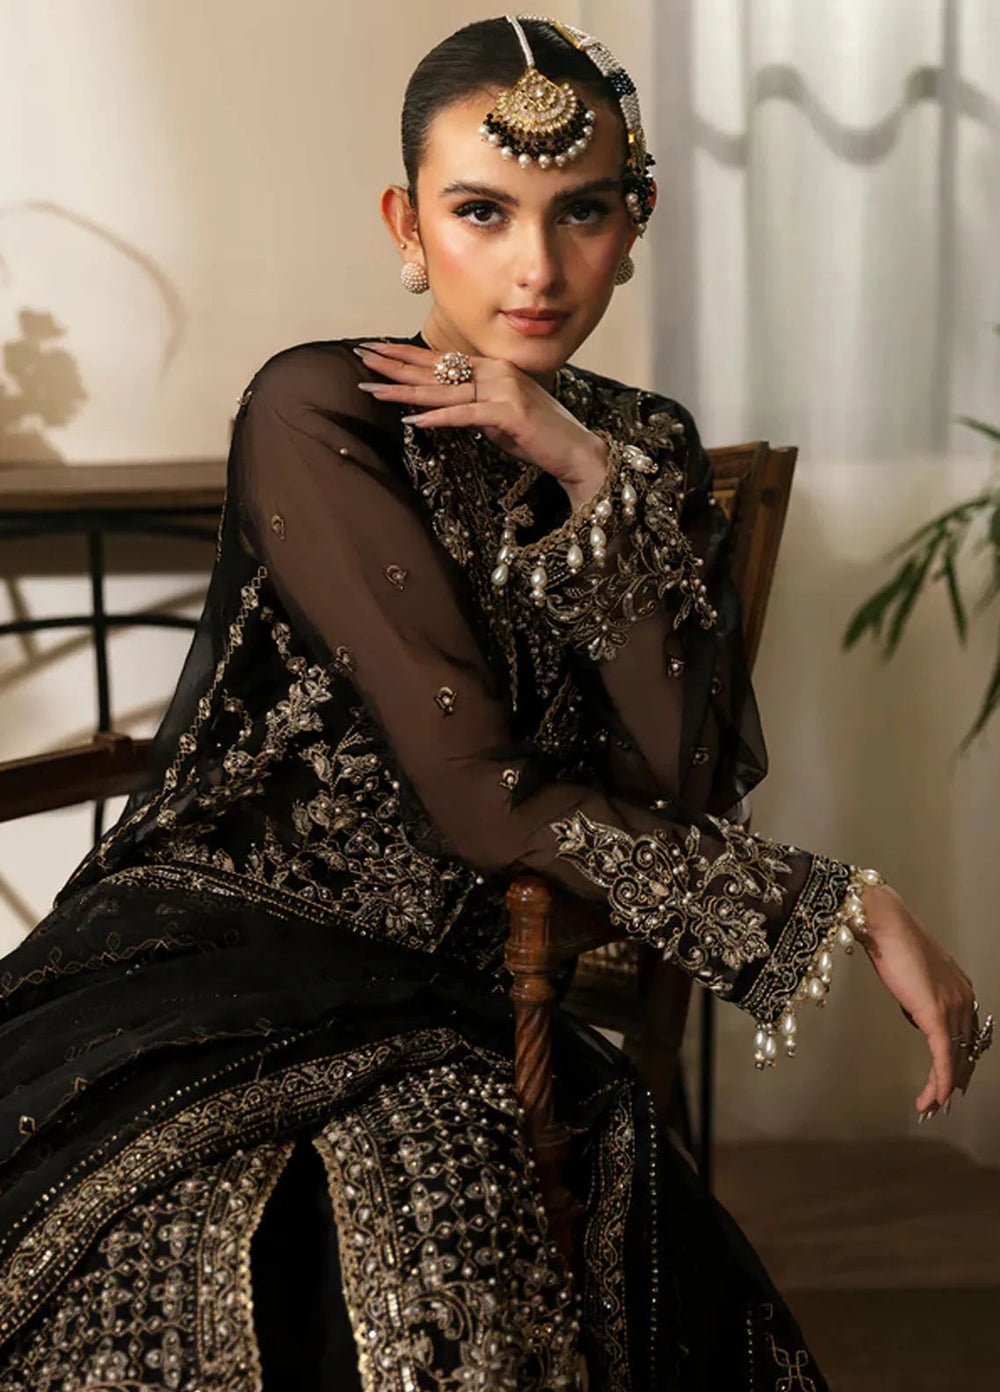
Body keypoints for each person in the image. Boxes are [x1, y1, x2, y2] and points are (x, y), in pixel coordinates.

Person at [0, 15, 990, 1391]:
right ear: (407, 226)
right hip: (238, 946)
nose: (536, 267)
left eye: (582, 211)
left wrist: (583, 470)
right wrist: (840, 905)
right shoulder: (320, 409)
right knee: (283, 1224)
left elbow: (682, 784)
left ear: (634, 225)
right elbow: (480, 797)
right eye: (482, 212)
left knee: (456, 1173)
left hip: (469, 973)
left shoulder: (641, 449)